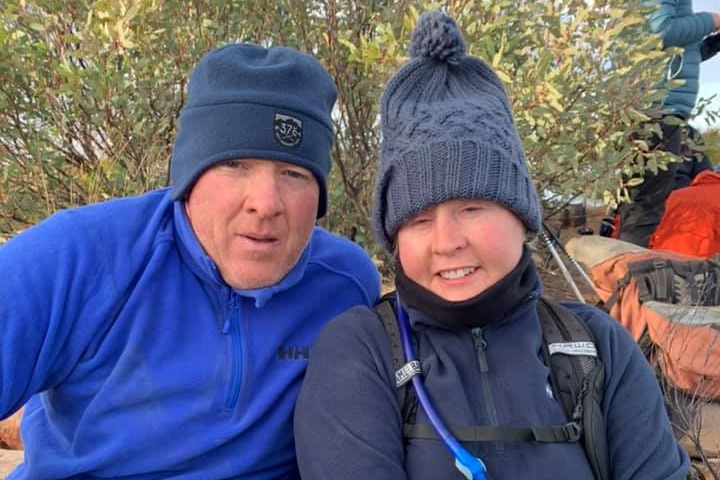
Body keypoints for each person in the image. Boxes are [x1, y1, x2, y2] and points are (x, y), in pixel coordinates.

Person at [294, 11, 689, 480]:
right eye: (418, 219)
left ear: (520, 213)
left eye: (472, 208)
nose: (446, 242)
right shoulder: (361, 351)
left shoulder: (598, 349)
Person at [0, 42, 380, 479]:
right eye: (234, 164)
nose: (266, 203)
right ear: (189, 176)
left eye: (294, 173)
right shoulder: (79, 256)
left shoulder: (345, 285)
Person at [617, 0, 720, 247]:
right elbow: (661, 32)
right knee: (646, 208)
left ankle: (628, 277)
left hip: (655, 109)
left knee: (643, 204)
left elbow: (677, 54)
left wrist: (714, 43)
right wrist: (711, 20)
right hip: (657, 109)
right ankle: (632, 280)